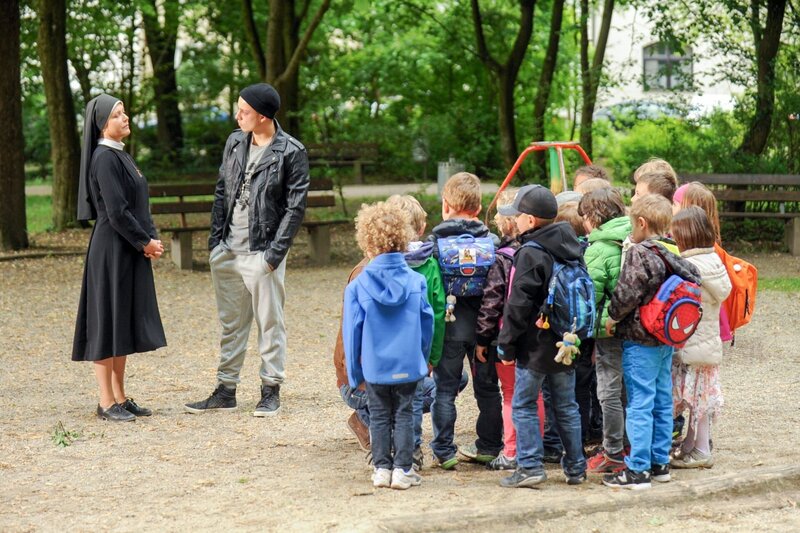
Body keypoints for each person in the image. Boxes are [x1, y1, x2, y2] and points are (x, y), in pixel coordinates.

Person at [185, 83, 310, 417]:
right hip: (228, 250)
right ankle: (226, 391)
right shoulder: (234, 141)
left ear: (263, 116)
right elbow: (221, 191)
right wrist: (215, 243)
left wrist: (272, 257)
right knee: (231, 325)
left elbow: (294, 209)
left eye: (244, 110)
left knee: (270, 324)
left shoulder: (291, 151)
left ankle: (270, 390)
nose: (237, 115)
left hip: (262, 253)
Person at [73, 94, 166, 422]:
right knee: (106, 322)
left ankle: (120, 397)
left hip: (128, 249)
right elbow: (116, 212)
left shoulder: (121, 156)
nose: (124, 118)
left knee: (122, 321)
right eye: (117, 114)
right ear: (102, 125)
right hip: (112, 250)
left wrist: (151, 238)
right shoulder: (104, 158)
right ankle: (105, 401)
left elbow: (140, 204)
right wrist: (145, 242)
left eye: (124, 112)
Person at [602, 194, 700, 490]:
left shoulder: (640, 253)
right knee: (660, 400)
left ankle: (638, 470)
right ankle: (660, 463)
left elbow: (626, 294)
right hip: (666, 338)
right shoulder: (675, 251)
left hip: (640, 339)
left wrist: (611, 316)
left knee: (639, 403)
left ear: (642, 223)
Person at [496, 184, 588, 488]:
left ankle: (530, 466)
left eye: (518, 215)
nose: (515, 221)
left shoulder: (530, 252)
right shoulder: (573, 245)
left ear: (531, 220)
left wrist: (505, 345)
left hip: (534, 347)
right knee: (566, 406)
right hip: (567, 342)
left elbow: (517, 305)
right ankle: (576, 467)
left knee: (523, 404)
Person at [343, 201, 434, 490]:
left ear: (367, 244)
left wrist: (354, 373)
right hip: (409, 363)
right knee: (406, 414)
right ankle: (403, 470)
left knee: (380, 415)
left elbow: (351, 332)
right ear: (404, 238)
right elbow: (427, 325)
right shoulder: (417, 281)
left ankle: (382, 468)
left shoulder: (357, 286)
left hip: (374, 365)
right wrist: (424, 358)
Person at [428, 173, 501, 470]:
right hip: (486, 328)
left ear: (446, 205)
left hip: (450, 325)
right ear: (480, 206)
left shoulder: (434, 243)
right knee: (487, 388)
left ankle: (444, 450)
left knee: (445, 390)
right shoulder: (493, 242)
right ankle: (490, 445)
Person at [475, 189, 546, 471]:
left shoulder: (501, 258)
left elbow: (492, 303)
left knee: (510, 394)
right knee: (535, 394)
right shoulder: (540, 250)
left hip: (508, 338)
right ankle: (534, 448)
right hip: (539, 335)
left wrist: (483, 337)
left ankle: (513, 450)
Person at [386, 194, 446, 469]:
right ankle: (412, 453)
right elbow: (437, 312)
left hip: (385, 349)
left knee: (384, 402)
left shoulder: (380, 263)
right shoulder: (430, 265)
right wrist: (433, 354)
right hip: (417, 350)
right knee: (412, 401)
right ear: (422, 228)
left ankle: (385, 451)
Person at [669, 207, 731, 469]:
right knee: (699, 398)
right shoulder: (713, 261)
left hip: (691, 345)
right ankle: (691, 444)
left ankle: (702, 450)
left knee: (696, 400)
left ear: (686, 236)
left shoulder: (690, 266)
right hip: (707, 346)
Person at [578, 188, 631, 474]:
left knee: (608, 391)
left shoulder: (598, 248)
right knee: (627, 389)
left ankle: (612, 451)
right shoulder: (634, 238)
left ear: (594, 217)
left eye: (585, 217)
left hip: (608, 329)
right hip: (635, 328)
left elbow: (591, 294)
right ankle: (627, 443)